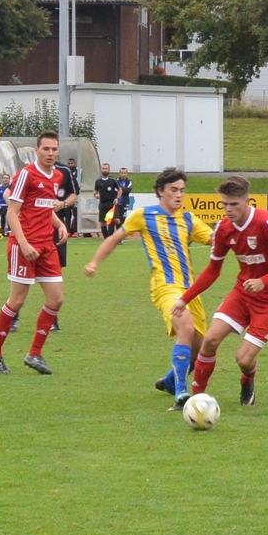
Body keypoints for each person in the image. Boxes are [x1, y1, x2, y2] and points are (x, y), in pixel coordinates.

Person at [85, 167, 214, 411]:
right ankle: (181, 390)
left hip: (190, 291)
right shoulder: (144, 216)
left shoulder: (188, 220)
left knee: (200, 349)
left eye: (182, 191)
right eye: (174, 190)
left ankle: (168, 381)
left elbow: (216, 240)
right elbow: (113, 239)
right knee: (184, 326)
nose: (179, 195)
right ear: (160, 191)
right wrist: (94, 262)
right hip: (164, 287)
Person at [173, 176, 268, 406]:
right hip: (242, 294)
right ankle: (195, 400)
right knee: (210, 339)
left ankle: (247, 381)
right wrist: (185, 299)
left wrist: (264, 281)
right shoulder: (223, 228)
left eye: (233, 204)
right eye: (224, 204)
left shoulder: (266, 222)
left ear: (247, 201)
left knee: (243, 359)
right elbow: (213, 270)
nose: (228, 209)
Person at [0, 131, 69, 375]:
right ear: (37, 150)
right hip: (23, 246)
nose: (50, 153)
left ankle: (34, 354)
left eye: (54, 149)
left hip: (46, 246)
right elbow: (12, 212)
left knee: (56, 299)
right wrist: (23, 244)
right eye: (46, 149)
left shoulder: (58, 176)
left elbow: (43, 208)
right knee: (17, 300)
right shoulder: (25, 175)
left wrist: (60, 224)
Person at [94, 163, 122, 239]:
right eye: (103, 168)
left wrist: (117, 198)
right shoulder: (98, 181)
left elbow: (120, 189)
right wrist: (96, 195)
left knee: (116, 220)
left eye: (106, 168)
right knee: (103, 223)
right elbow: (95, 190)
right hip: (102, 204)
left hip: (112, 203)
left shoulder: (113, 180)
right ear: (101, 170)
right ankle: (107, 239)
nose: (105, 170)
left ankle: (119, 237)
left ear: (109, 170)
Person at [63, 157, 80, 235]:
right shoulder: (66, 171)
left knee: (76, 212)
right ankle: (67, 230)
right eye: (69, 164)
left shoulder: (79, 171)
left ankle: (76, 230)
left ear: (75, 163)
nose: (70, 165)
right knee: (67, 213)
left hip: (75, 195)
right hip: (67, 195)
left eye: (72, 163)